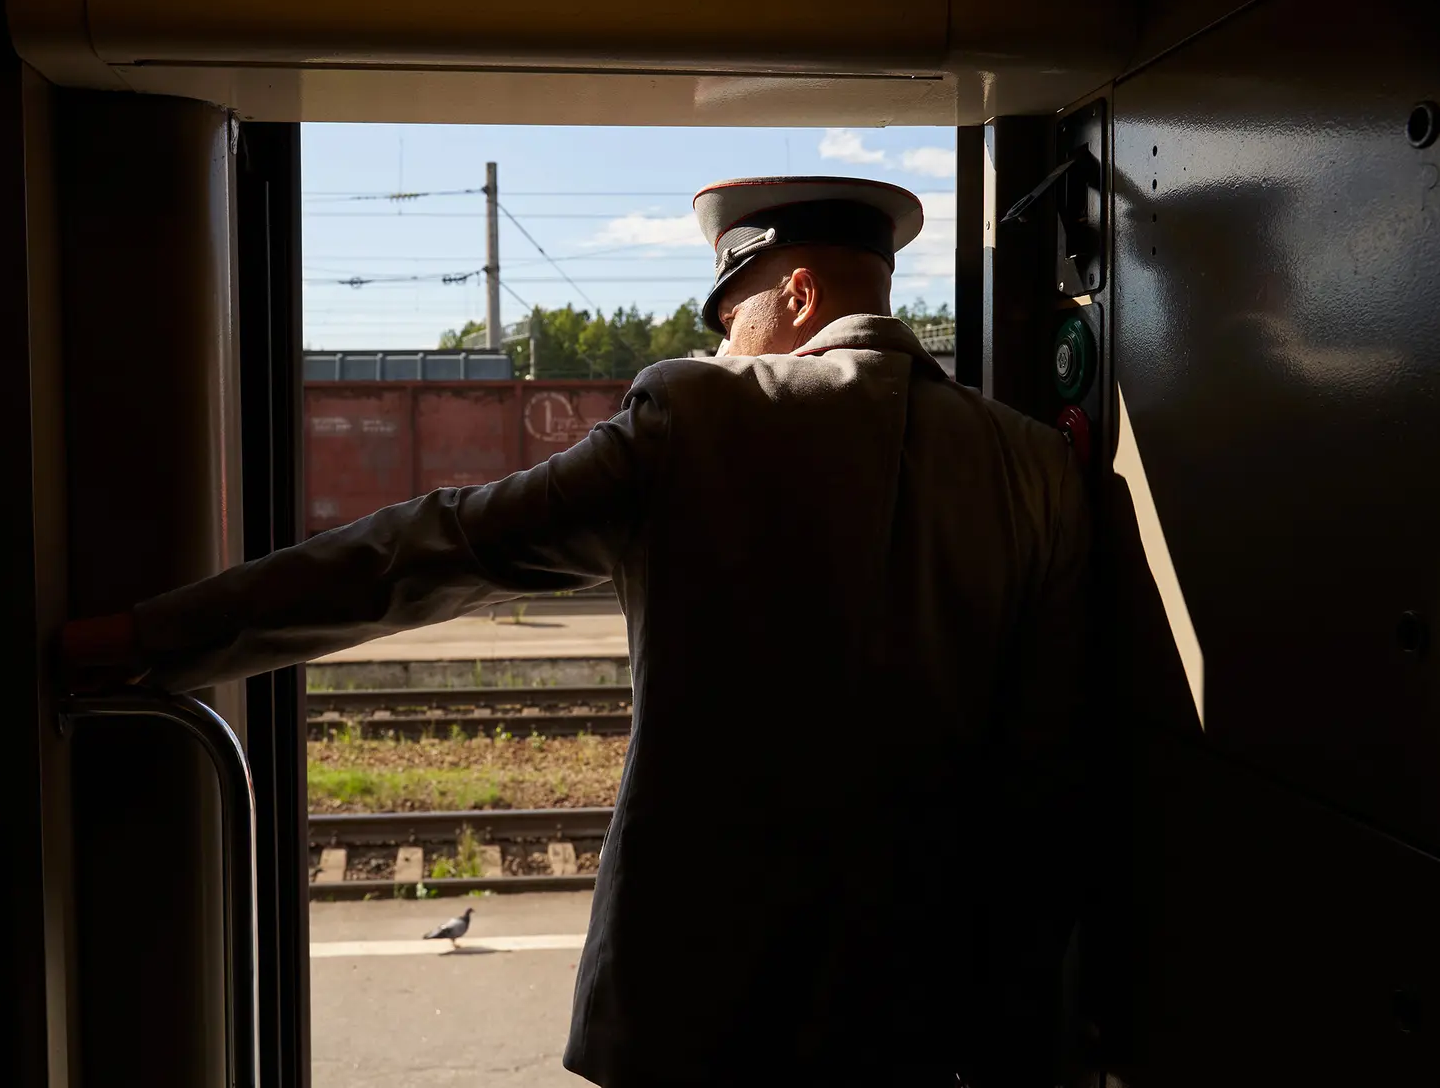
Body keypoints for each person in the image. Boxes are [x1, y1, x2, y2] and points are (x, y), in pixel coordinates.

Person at [62, 176, 1091, 1087]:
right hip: (926, 1001)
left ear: (795, 295)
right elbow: (1044, 769)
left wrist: (151, 636)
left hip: (704, 996)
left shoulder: (695, 414)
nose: (718, 345)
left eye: (727, 319)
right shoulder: (1034, 464)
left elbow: (431, 551)